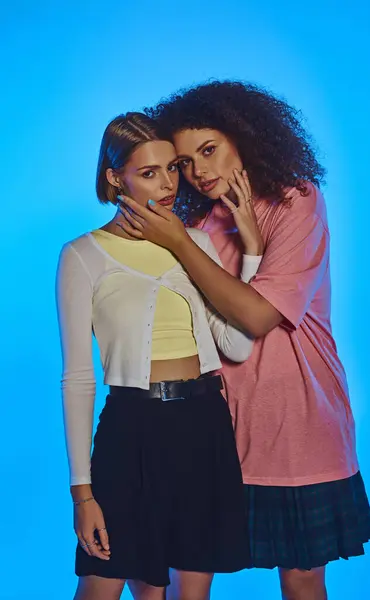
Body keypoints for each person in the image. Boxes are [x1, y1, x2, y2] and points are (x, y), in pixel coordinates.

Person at [115, 81, 370, 600]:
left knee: (301, 579)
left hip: (295, 420)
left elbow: (256, 318)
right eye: (185, 162)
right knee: (181, 576)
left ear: (244, 136)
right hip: (211, 423)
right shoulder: (190, 219)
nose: (199, 171)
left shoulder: (295, 200)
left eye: (208, 150)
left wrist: (181, 245)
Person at [56, 111, 260, 600]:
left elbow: (235, 343)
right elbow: (79, 379)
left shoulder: (198, 243)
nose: (169, 184)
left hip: (204, 426)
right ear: (114, 177)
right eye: (149, 173)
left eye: (172, 168)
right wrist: (82, 494)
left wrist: (249, 251)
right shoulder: (82, 255)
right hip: (132, 430)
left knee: (186, 594)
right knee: (103, 584)